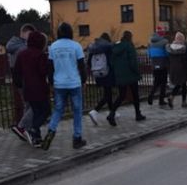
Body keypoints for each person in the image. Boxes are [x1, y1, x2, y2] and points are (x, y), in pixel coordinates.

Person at [40, 23, 87, 151]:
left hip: (59, 84)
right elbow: (82, 66)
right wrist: (84, 81)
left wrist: (51, 83)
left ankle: (51, 131)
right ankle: (77, 138)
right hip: (74, 83)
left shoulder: (53, 47)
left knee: (58, 110)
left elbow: (50, 67)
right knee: (77, 111)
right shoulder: (76, 46)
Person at [13, 30, 51, 146]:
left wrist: (19, 85)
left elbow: (16, 72)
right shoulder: (40, 55)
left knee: (35, 111)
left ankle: (36, 138)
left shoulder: (22, 54)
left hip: (27, 88)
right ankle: (33, 129)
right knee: (45, 110)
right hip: (40, 88)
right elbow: (43, 71)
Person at [6, 23, 36, 141]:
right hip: (24, 78)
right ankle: (21, 127)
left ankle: (25, 129)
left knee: (28, 104)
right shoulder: (21, 46)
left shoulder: (15, 45)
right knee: (34, 104)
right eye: (30, 34)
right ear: (24, 33)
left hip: (20, 79)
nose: (31, 37)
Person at [109, 31, 146, 123]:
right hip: (131, 75)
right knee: (135, 95)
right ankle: (138, 114)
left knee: (121, 95)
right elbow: (133, 62)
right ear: (130, 37)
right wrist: (138, 73)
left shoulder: (115, 47)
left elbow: (111, 62)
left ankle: (112, 113)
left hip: (120, 76)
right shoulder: (129, 46)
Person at [86, 33, 115, 124]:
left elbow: (88, 62)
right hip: (107, 73)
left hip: (97, 73)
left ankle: (112, 112)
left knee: (108, 93)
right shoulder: (107, 48)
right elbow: (111, 61)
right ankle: (95, 111)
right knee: (107, 95)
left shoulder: (93, 48)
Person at [145, 31, 170, 108]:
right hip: (163, 64)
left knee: (156, 82)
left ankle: (151, 95)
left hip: (154, 64)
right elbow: (167, 53)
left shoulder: (150, 43)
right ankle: (161, 100)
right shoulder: (164, 42)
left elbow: (148, 54)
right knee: (163, 83)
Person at [166, 32, 187, 108]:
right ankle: (183, 102)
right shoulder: (184, 49)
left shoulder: (170, 48)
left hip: (173, 69)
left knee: (178, 85)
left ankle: (171, 98)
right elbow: (185, 61)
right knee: (183, 85)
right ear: (182, 39)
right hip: (181, 69)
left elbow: (168, 60)